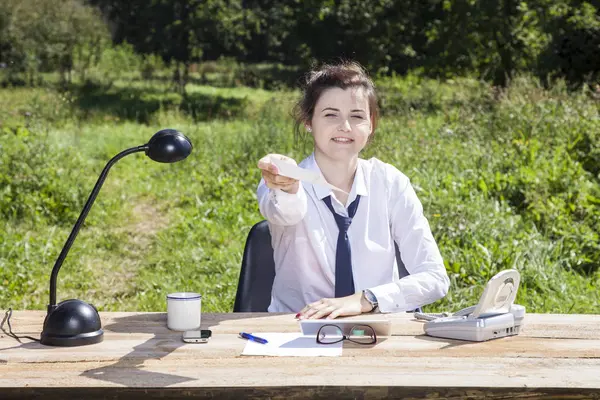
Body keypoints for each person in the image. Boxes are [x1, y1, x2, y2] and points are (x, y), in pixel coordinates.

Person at [256, 61, 449, 319]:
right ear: (308, 121)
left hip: (376, 331)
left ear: (371, 126)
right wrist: (287, 186)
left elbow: (435, 277)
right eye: (330, 114)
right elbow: (286, 212)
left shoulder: (391, 183)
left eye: (357, 116)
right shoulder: (286, 181)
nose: (345, 127)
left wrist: (367, 299)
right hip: (296, 330)